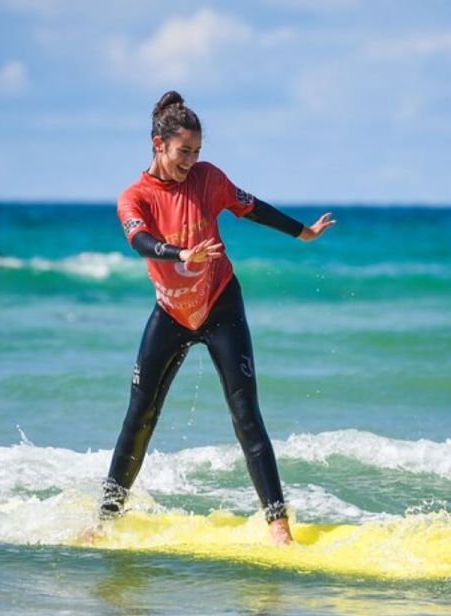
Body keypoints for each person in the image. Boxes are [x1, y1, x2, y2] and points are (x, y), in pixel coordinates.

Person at [100, 90, 335, 546]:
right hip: (171, 311)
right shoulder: (135, 196)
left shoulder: (210, 179)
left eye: (197, 152)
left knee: (246, 413)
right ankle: (106, 519)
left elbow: (253, 207)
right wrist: (180, 252)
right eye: (183, 151)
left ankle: (278, 525)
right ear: (158, 145)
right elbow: (140, 241)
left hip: (220, 302)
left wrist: (302, 232)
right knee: (139, 415)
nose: (191, 160)